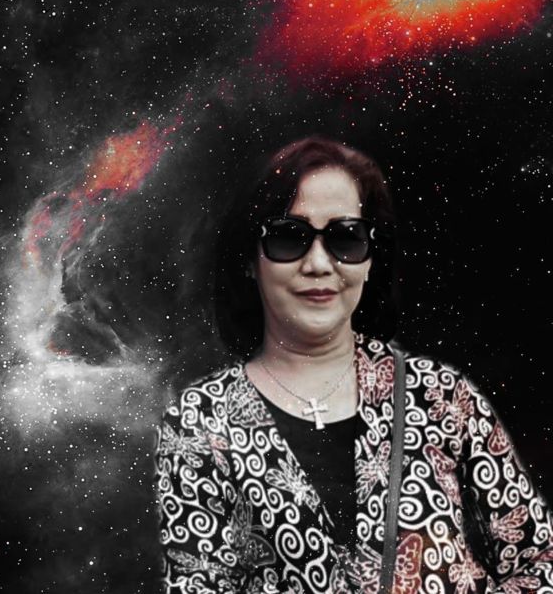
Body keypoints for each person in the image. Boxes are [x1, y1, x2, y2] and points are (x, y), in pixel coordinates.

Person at [154, 135, 553, 593]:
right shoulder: (199, 424)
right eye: (288, 237)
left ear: (369, 259)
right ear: (249, 259)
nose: (319, 264)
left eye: (346, 238)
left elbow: (540, 559)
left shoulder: (442, 397)